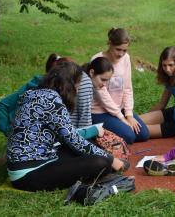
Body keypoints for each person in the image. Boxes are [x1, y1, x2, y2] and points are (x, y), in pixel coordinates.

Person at [7, 61, 128, 192]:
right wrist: (110, 159)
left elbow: (68, 138)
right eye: (78, 85)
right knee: (101, 163)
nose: (78, 90)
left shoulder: (32, 93)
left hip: (28, 164)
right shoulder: (53, 101)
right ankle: (109, 167)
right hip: (29, 174)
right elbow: (75, 141)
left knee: (81, 152)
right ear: (69, 84)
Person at [0, 53, 102, 138]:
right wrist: (9, 132)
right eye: (76, 85)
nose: (78, 91)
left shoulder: (52, 94)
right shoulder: (49, 99)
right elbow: (2, 104)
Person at [91, 28, 149, 144]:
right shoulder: (97, 60)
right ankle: (96, 133)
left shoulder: (125, 58)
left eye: (124, 50)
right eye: (118, 49)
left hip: (119, 109)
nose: (121, 54)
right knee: (129, 136)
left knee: (144, 134)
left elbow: (128, 87)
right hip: (100, 111)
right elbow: (102, 95)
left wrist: (129, 114)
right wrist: (121, 118)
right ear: (110, 44)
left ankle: (113, 130)